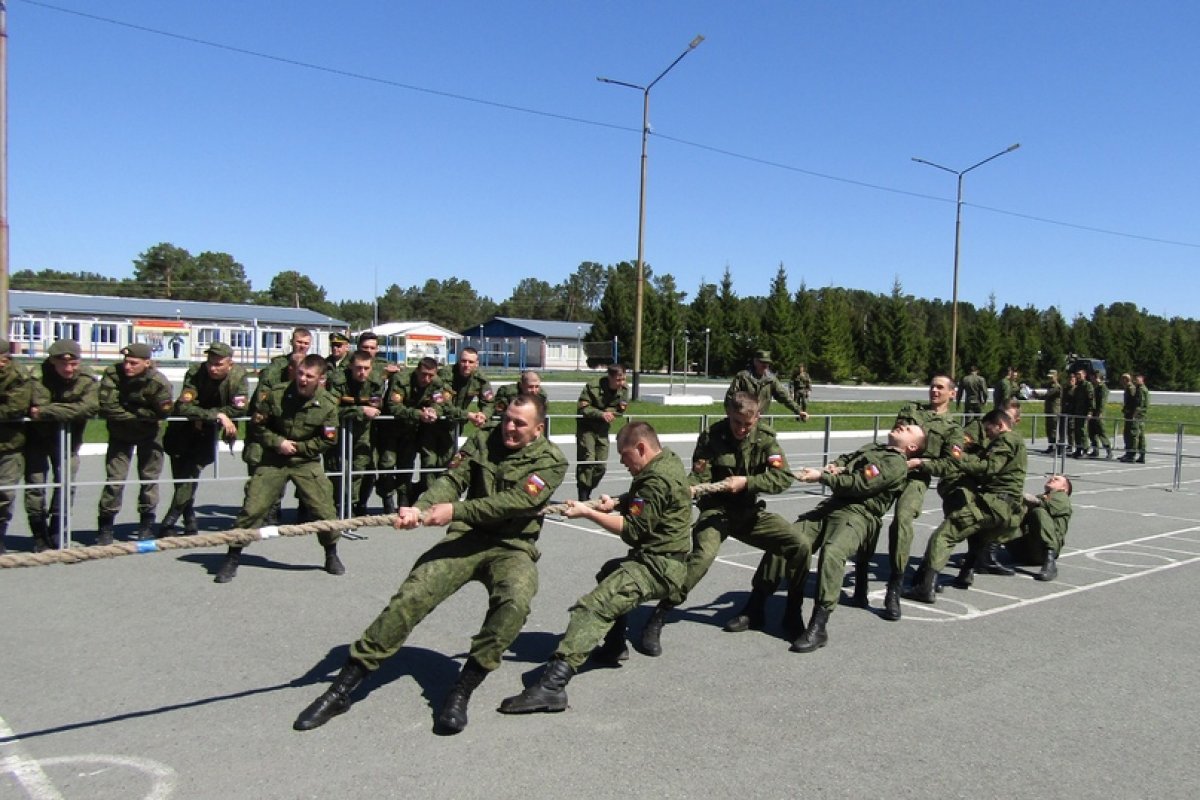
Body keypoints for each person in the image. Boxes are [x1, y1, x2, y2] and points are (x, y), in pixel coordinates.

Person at [292, 395, 566, 735]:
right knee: (412, 595)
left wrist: (455, 510)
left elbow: (516, 502)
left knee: (515, 602)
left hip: (513, 545)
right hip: (467, 536)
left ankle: (461, 690)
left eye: (519, 424)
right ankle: (342, 689)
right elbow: (453, 480)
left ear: (538, 428)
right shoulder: (483, 438)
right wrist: (420, 507)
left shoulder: (552, 460)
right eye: (507, 418)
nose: (509, 427)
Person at [497, 421, 691, 715]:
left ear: (641, 448)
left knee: (593, 607)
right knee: (610, 572)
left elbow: (632, 530)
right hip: (664, 558)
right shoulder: (667, 462)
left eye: (626, 456)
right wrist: (615, 502)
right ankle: (614, 646)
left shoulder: (656, 479)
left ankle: (552, 687)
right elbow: (647, 503)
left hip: (659, 566)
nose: (624, 463)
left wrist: (588, 513)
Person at [638, 391, 807, 657]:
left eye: (746, 424)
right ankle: (659, 616)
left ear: (757, 417)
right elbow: (699, 474)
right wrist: (691, 487)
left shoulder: (765, 438)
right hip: (717, 511)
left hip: (749, 512)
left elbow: (782, 478)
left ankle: (786, 612)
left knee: (798, 544)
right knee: (701, 557)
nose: (741, 429)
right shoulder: (712, 436)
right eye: (736, 422)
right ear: (729, 415)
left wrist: (748, 482)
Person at [788, 423, 927, 653]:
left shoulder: (895, 463)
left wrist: (822, 477)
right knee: (790, 538)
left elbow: (860, 484)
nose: (902, 425)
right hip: (834, 504)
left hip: (860, 511)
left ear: (912, 446)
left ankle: (818, 625)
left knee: (833, 551)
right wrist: (836, 465)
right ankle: (760, 603)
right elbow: (848, 457)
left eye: (909, 428)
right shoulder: (874, 448)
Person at [213, 354, 342, 584]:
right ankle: (232, 556)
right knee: (252, 509)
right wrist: (278, 443)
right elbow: (258, 426)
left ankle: (331, 554)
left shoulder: (329, 405)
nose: (302, 379)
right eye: (300, 373)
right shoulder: (277, 394)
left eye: (309, 376)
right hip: (274, 459)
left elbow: (328, 440)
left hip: (305, 461)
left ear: (321, 379)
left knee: (325, 512)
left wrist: (300, 447)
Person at [904, 408, 1028, 603]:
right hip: (1007, 509)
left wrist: (959, 458)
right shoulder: (1017, 442)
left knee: (944, 535)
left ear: (1000, 425)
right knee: (977, 535)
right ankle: (966, 573)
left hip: (994, 503)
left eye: (988, 431)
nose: (987, 435)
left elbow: (989, 467)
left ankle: (925, 586)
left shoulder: (1006, 440)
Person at [875, 374, 965, 621]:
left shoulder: (954, 429)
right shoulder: (911, 410)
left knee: (902, 520)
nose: (934, 391)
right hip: (890, 468)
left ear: (952, 393)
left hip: (916, 477)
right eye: (932, 386)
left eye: (940, 387)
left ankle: (894, 585)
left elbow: (951, 465)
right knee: (865, 516)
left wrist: (922, 463)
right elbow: (894, 437)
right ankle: (861, 577)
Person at [159, 342, 249, 536]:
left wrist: (214, 416)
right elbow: (184, 407)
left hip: (206, 432)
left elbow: (240, 408)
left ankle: (169, 521)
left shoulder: (239, 376)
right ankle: (189, 519)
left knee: (191, 473)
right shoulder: (195, 372)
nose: (213, 368)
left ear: (230, 364)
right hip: (181, 429)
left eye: (219, 364)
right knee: (181, 476)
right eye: (210, 363)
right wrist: (217, 416)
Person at [24, 339, 98, 552]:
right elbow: (33, 406)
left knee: (66, 483)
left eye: (73, 363)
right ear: (52, 361)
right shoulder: (37, 376)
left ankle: (58, 528)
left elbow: (89, 408)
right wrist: (67, 409)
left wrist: (47, 412)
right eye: (62, 364)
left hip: (69, 440)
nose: (68, 369)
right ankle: (38, 533)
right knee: (35, 485)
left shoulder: (86, 378)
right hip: (37, 439)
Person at [96, 343, 174, 544]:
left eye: (133, 363)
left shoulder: (158, 382)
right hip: (120, 434)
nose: (127, 366)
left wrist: (133, 410)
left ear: (147, 363)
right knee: (115, 480)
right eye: (126, 361)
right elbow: (107, 406)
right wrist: (139, 414)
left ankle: (146, 525)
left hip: (149, 435)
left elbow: (163, 412)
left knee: (149, 480)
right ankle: (105, 527)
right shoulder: (113, 374)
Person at [326, 349, 388, 515]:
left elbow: (375, 407)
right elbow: (331, 410)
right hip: (339, 431)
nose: (362, 372)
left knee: (359, 469)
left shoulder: (375, 382)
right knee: (338, 470)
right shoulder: (338, 380)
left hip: (364, 433)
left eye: (366, 368)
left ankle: (353, 506)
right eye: (358, 368)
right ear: (351, 367)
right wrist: (359, 410)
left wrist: (357, 409)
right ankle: (337, 506)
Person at [386, 356, 453, 505]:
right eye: (423, 374)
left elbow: (440, 403)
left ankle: (404, 500)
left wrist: (433, 411)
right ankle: (387, 495)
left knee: (407, 464)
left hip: (414, 429)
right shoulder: (401, 379)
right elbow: (393, 406)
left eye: (431, 375)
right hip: (392, 428)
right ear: (417, 371)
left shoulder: (436, 383)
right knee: (387, 464)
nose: (426, 379)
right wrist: (418, 414)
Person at [434, 346, 494, 478]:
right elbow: (444, 405)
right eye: (463, 361)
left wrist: (483, 415)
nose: (466, 365)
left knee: (448, 462)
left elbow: (489, 402)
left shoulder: (479, 378)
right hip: (435, 424)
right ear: (458, 361)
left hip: (456, 425)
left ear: (476, 363)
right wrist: (468, 415)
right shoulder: (446, 374)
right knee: (431, 465)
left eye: (471, 362)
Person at [575, 364, 629, 501]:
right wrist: (600, 414)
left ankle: (588, 487)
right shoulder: (593, 386)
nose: (621, 383)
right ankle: (583, 494)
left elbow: (621, 409)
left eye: (623, 379)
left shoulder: (623, 389)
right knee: (588, 460)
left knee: (601, 466)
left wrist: (608, 413)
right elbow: (583, 408)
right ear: (609, 377)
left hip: (603, 429)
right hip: (586, 427)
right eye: (618, 380)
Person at [0, 340, 34, 555]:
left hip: (9, 444)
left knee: (4, 493)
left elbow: (15, 408)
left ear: (4, 360)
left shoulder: (19, 375)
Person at [1005, 474, 1073, 582]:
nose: (1052, 479)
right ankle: (982, 551)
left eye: (1056, 479)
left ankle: (1050, 562)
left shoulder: (1062, 497)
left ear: (1064, 488)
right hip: (1025, 548)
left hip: (1041, 550)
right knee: (1005, 511)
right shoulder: (1043, 496)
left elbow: (1044, 506)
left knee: (1039, 512)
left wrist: (1025, 498)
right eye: (1051, 477)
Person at [725, 350, 808, 422]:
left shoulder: (771, 380)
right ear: (755, 361)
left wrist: (798, 410)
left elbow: (784, 396)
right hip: (742, 420)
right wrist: (731, 413)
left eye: (767, 363)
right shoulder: (743, 377)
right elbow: (731, 396)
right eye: (762, 362)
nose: (765, 365)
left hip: (761, 419)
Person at [1120, 373, 1150, 463]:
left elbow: (1139, 404)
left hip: (1137, 416)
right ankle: (1140, 454)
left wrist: (1133, 415)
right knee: (1139, 435)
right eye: (1135, 378)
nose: (1135, 380)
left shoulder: (1140, 389)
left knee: (1133, 434)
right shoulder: (1139, 388)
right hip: (1139, 415)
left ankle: (1131, 455)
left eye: (1138, 379)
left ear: (1142, 379)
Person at [1031, 369, 1063, 454]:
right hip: (1049, 410)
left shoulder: (1056, 386)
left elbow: (1048, 393)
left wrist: (1037, 394)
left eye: (1051, 377)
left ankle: (1055, 447)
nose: (1050, 379)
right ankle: (1051, 445)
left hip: (1055, 411)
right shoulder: (1050, 385)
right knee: (1049, 429)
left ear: (1056, 377)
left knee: (1054, 429)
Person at [1087, 371, 1113, 459]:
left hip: (1098, 413)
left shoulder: (1102, 388)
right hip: (1093, 413)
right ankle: (1095, 450)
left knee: (1101, 433)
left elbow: (1102, 401)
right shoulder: (1095, 387)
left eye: (1093, 377)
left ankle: (1109, 451)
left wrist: (1100, 412)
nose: (1091, 379)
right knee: (1092, 433)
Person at [1068, 367, 1092, 458]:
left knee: (1083, 431)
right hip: (1077, 412)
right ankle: (1078, 449)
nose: (1078, 376)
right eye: (1077, 374)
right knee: (1077, 431)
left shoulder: (1087, 385)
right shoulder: (1078, 386)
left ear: (1084, 375)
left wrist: (1090, 411)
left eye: (1080, 374)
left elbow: (1091, 399)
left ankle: (1085, 449)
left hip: (1084, 412)